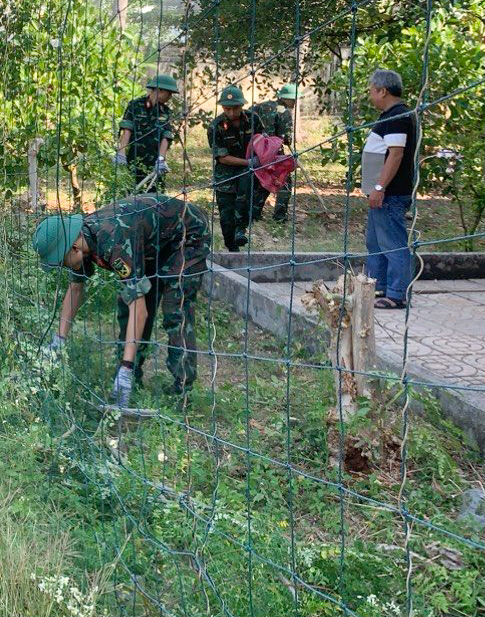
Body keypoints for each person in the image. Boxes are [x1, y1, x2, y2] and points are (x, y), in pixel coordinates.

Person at [31, 194, 211, 408]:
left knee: (175, 309)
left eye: (61, 261)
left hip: (185, 236)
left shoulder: (113, 241)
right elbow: (75, 289)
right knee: (128, 305)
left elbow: (140, 310)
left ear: (74, 248)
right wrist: (58, 341)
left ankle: (182, 391)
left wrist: (125, 367)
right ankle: (132, 378)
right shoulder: (82, 239)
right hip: (153, 241)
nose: (62, 266)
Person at [361, 69, 419, 309]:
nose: (370, 96)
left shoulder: (397, 116)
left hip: (390, 193)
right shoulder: (394, 115)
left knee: (393, 243)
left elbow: (395, 155)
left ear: (382, 90)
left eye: (371, 90)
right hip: (383, 193)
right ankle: (380, 286)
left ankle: (397, 294)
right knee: (375, 243)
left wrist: (379, 186)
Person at [208, 85, 263, 251]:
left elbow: (263, 141)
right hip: (226, 176)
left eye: (235, 109)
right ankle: (232, 250)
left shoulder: (254, 119)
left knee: (247, 202)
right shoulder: (215, 126)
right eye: (227, 109)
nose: (231, 113)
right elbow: (223, 158)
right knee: (226, 217)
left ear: (242, 106)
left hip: (249, 174)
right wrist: (248, 163)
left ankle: (242, 230)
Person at [114, 74, 178, 193]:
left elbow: (166, 137)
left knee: (155, 197)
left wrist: (161, 159)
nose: (170, 97)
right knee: (132, 196)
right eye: (168, 93)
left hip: (155, 163)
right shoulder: (135, 105)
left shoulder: (166, 112)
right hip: (135, 159)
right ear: (159, 90)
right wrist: (121, 153)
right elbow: (127, 130)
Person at [250, 84, 298, 223]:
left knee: (262, 181)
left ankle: (254, 214)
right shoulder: (283, 112)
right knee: (285, 183)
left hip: (257, 150)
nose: (294, 102)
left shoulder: (260, 106)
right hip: (273, 152)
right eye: (292, 99)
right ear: (284, 99)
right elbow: (286, 138)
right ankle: (280, 216)